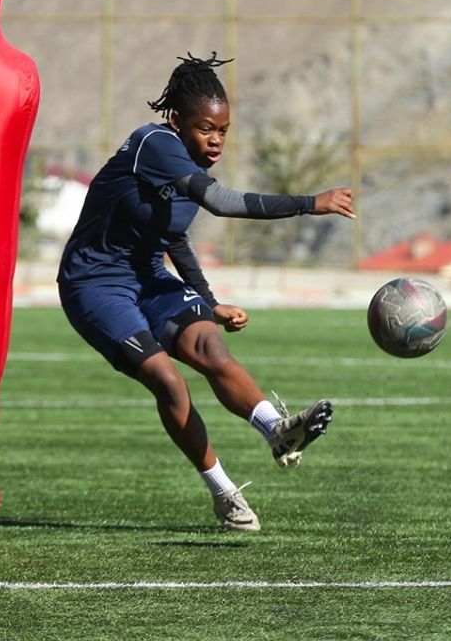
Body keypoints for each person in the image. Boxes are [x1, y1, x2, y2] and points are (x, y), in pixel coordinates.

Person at [57, 53, 356, 531]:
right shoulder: (152, 142)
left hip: (150, 277)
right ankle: (225, 495)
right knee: (169, 381)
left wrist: (208, 302)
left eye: (224, 130)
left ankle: (276, 431)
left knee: (210, 347)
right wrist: (309, 203)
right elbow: (221, 203)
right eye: (205, 128)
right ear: (177, 120)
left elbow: (172, 236)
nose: (216, 140)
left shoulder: (185, 165)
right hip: (95, 284)